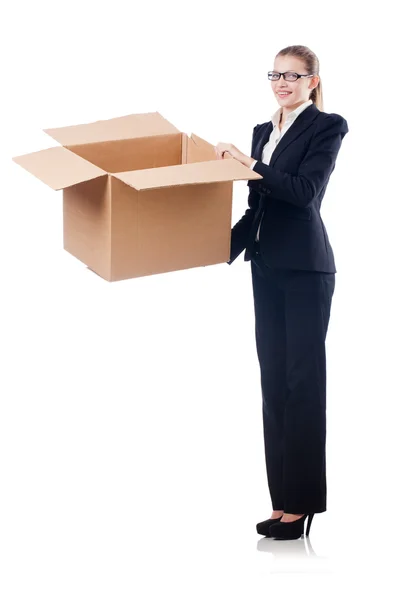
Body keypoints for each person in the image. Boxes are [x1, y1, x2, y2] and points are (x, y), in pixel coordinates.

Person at [214, 45, 348, 540]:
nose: (282, 83)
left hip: (307, 271)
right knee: (273, 384)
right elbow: (258, 210)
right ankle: (281, 502)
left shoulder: (328, 126)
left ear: (313, 81)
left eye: (293, 75)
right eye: (276, 74)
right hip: (266, 267)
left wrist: (250, 163)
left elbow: (303, 192)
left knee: (303, 385)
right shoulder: (263, 132)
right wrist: (210, 247)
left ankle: (304, 504)